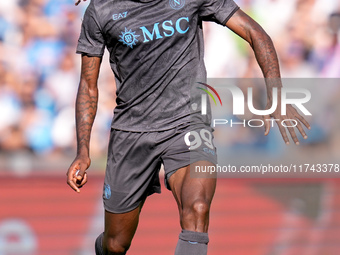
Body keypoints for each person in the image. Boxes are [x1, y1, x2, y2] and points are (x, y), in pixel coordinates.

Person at [67, 0, 311, 254]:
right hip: (133, 131)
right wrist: (82, 151)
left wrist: (276, 94)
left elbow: (255, 32)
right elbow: (88, 85)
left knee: (197, 208)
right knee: (115, 244)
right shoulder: (101, 10)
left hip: (188, 122)